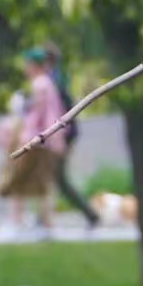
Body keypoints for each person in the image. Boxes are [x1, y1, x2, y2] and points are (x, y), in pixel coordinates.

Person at [0, 53, 67, 237]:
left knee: (19, 178)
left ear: (34, 65)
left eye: (28, 64)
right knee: (42, 183)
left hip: (38, 140)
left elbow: (38, 114)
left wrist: (23, 137)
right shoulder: (48, 84)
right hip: (46, 140)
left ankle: (19, 222)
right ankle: (45, 223)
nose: (26, 69)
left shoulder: (40, 84)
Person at [43, 43, 100, 230]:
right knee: (51, 175)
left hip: (63, 134)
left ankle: (91, 215)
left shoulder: (54, 81)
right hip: (63, 133)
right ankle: (43, 217)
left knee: (58, 177)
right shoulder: (56, 78)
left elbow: (56, 111)